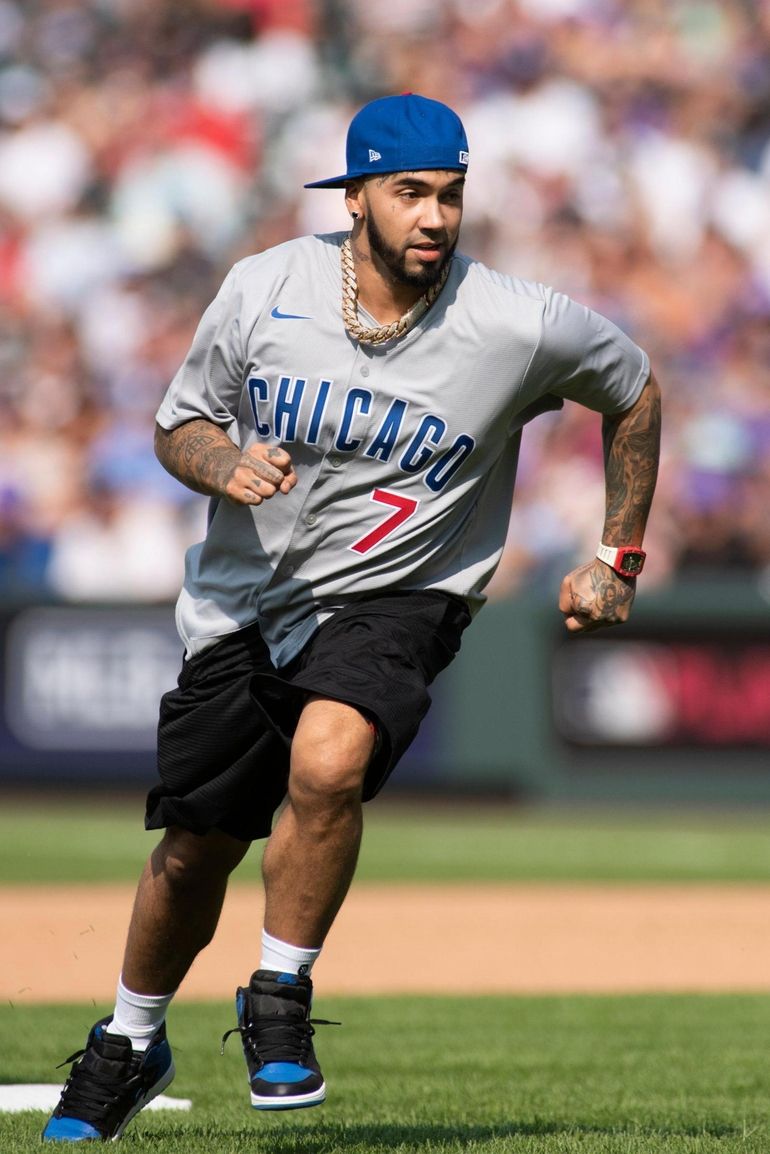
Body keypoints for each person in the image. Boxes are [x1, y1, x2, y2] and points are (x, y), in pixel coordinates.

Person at [43, 93, 660, 1142]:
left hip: (400, 592)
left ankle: (278, 997)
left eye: (450, 195)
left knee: (328, 761)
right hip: (247, 596)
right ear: (357, 196)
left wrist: (616, 555)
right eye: (410, 193)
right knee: (195, 849)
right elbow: (176, 422)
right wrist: (221, 460)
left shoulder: (514, 319)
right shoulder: (265, 287)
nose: (433, 216)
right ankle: (129, 1038)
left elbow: (634, 389)